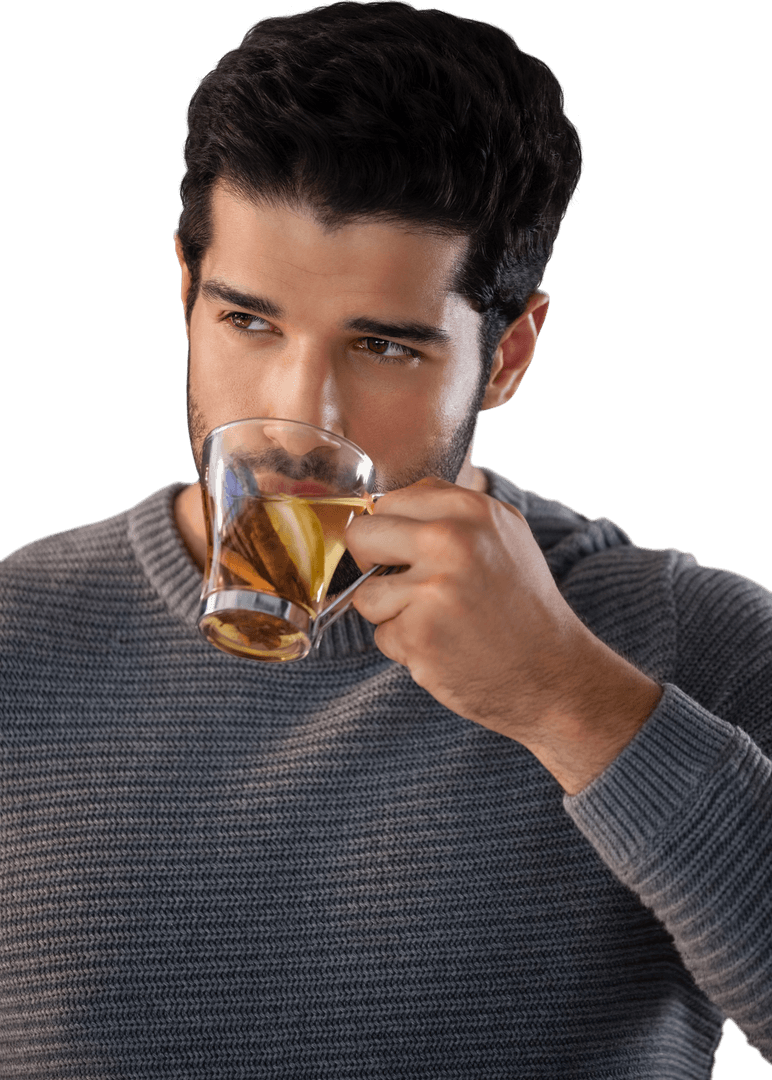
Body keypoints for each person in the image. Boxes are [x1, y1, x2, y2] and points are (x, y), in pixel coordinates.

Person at [1, 2, 770, 1075]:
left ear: (506, 357)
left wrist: (571, 702)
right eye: (249, 321)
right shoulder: (15, 639)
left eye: (382, 347)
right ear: (185, 293)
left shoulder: (679, 638)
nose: (299, 413)